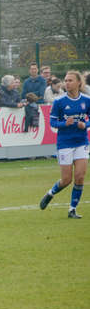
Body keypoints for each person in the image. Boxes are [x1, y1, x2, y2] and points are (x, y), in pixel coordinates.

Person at [39, 71, 90, 219]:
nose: (66, 83)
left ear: (79, 83)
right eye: (65, 80)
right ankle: (50, 193)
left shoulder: (86, 100)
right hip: (65, 143)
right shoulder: (59, 102)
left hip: (81, 142)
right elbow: (53, 122)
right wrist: (64, 123)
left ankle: (72, 209)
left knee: (80, 177)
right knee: (66, 180)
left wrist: (85, 124)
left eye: (70, 80)